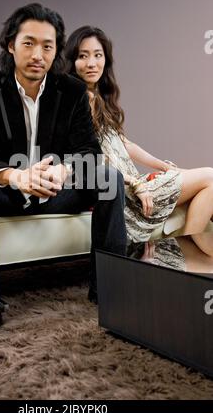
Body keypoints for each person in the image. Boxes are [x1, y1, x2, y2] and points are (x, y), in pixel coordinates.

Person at [0, 4, 127, 347]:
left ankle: (109, 290)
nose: (38, 54)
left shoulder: (70, 91)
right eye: (29, 43)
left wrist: (63, 170)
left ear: (56, 50)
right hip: (9, 191)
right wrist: (16, 177)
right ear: (11, 45)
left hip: (58, 189)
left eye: (48, 45)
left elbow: (89, 149)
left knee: (109, 179)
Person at [65, 26, 213, 253]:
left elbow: (124, 144)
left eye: (98, 55)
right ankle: (191, 250)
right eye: (83, 56)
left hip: (132, 182)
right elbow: (89, 160)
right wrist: (135, 183)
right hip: (122, 193)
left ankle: (195, 251)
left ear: (106, 59)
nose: (92, 63)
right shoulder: (80, 99)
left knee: (203, 181)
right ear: (72, 61)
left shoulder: (99, 98)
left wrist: (162, 165)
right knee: (211, 177)